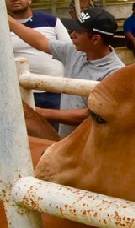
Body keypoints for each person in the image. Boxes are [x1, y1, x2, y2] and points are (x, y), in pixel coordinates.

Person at [7, 7, 124, 137]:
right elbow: (40, 42)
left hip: (92, 143)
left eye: (78, 32)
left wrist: (41, 112)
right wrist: (8, 19)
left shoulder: (115, 73)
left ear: (95, 39)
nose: (72, 35)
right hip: (69, 140)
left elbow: (95, 114)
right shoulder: (75, 51)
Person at [5, 0, 71, 110]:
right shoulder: (3, 27)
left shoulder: (51, 21)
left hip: (57, 87)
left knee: (64, 121)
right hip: (24, 90)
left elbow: (68, 50)